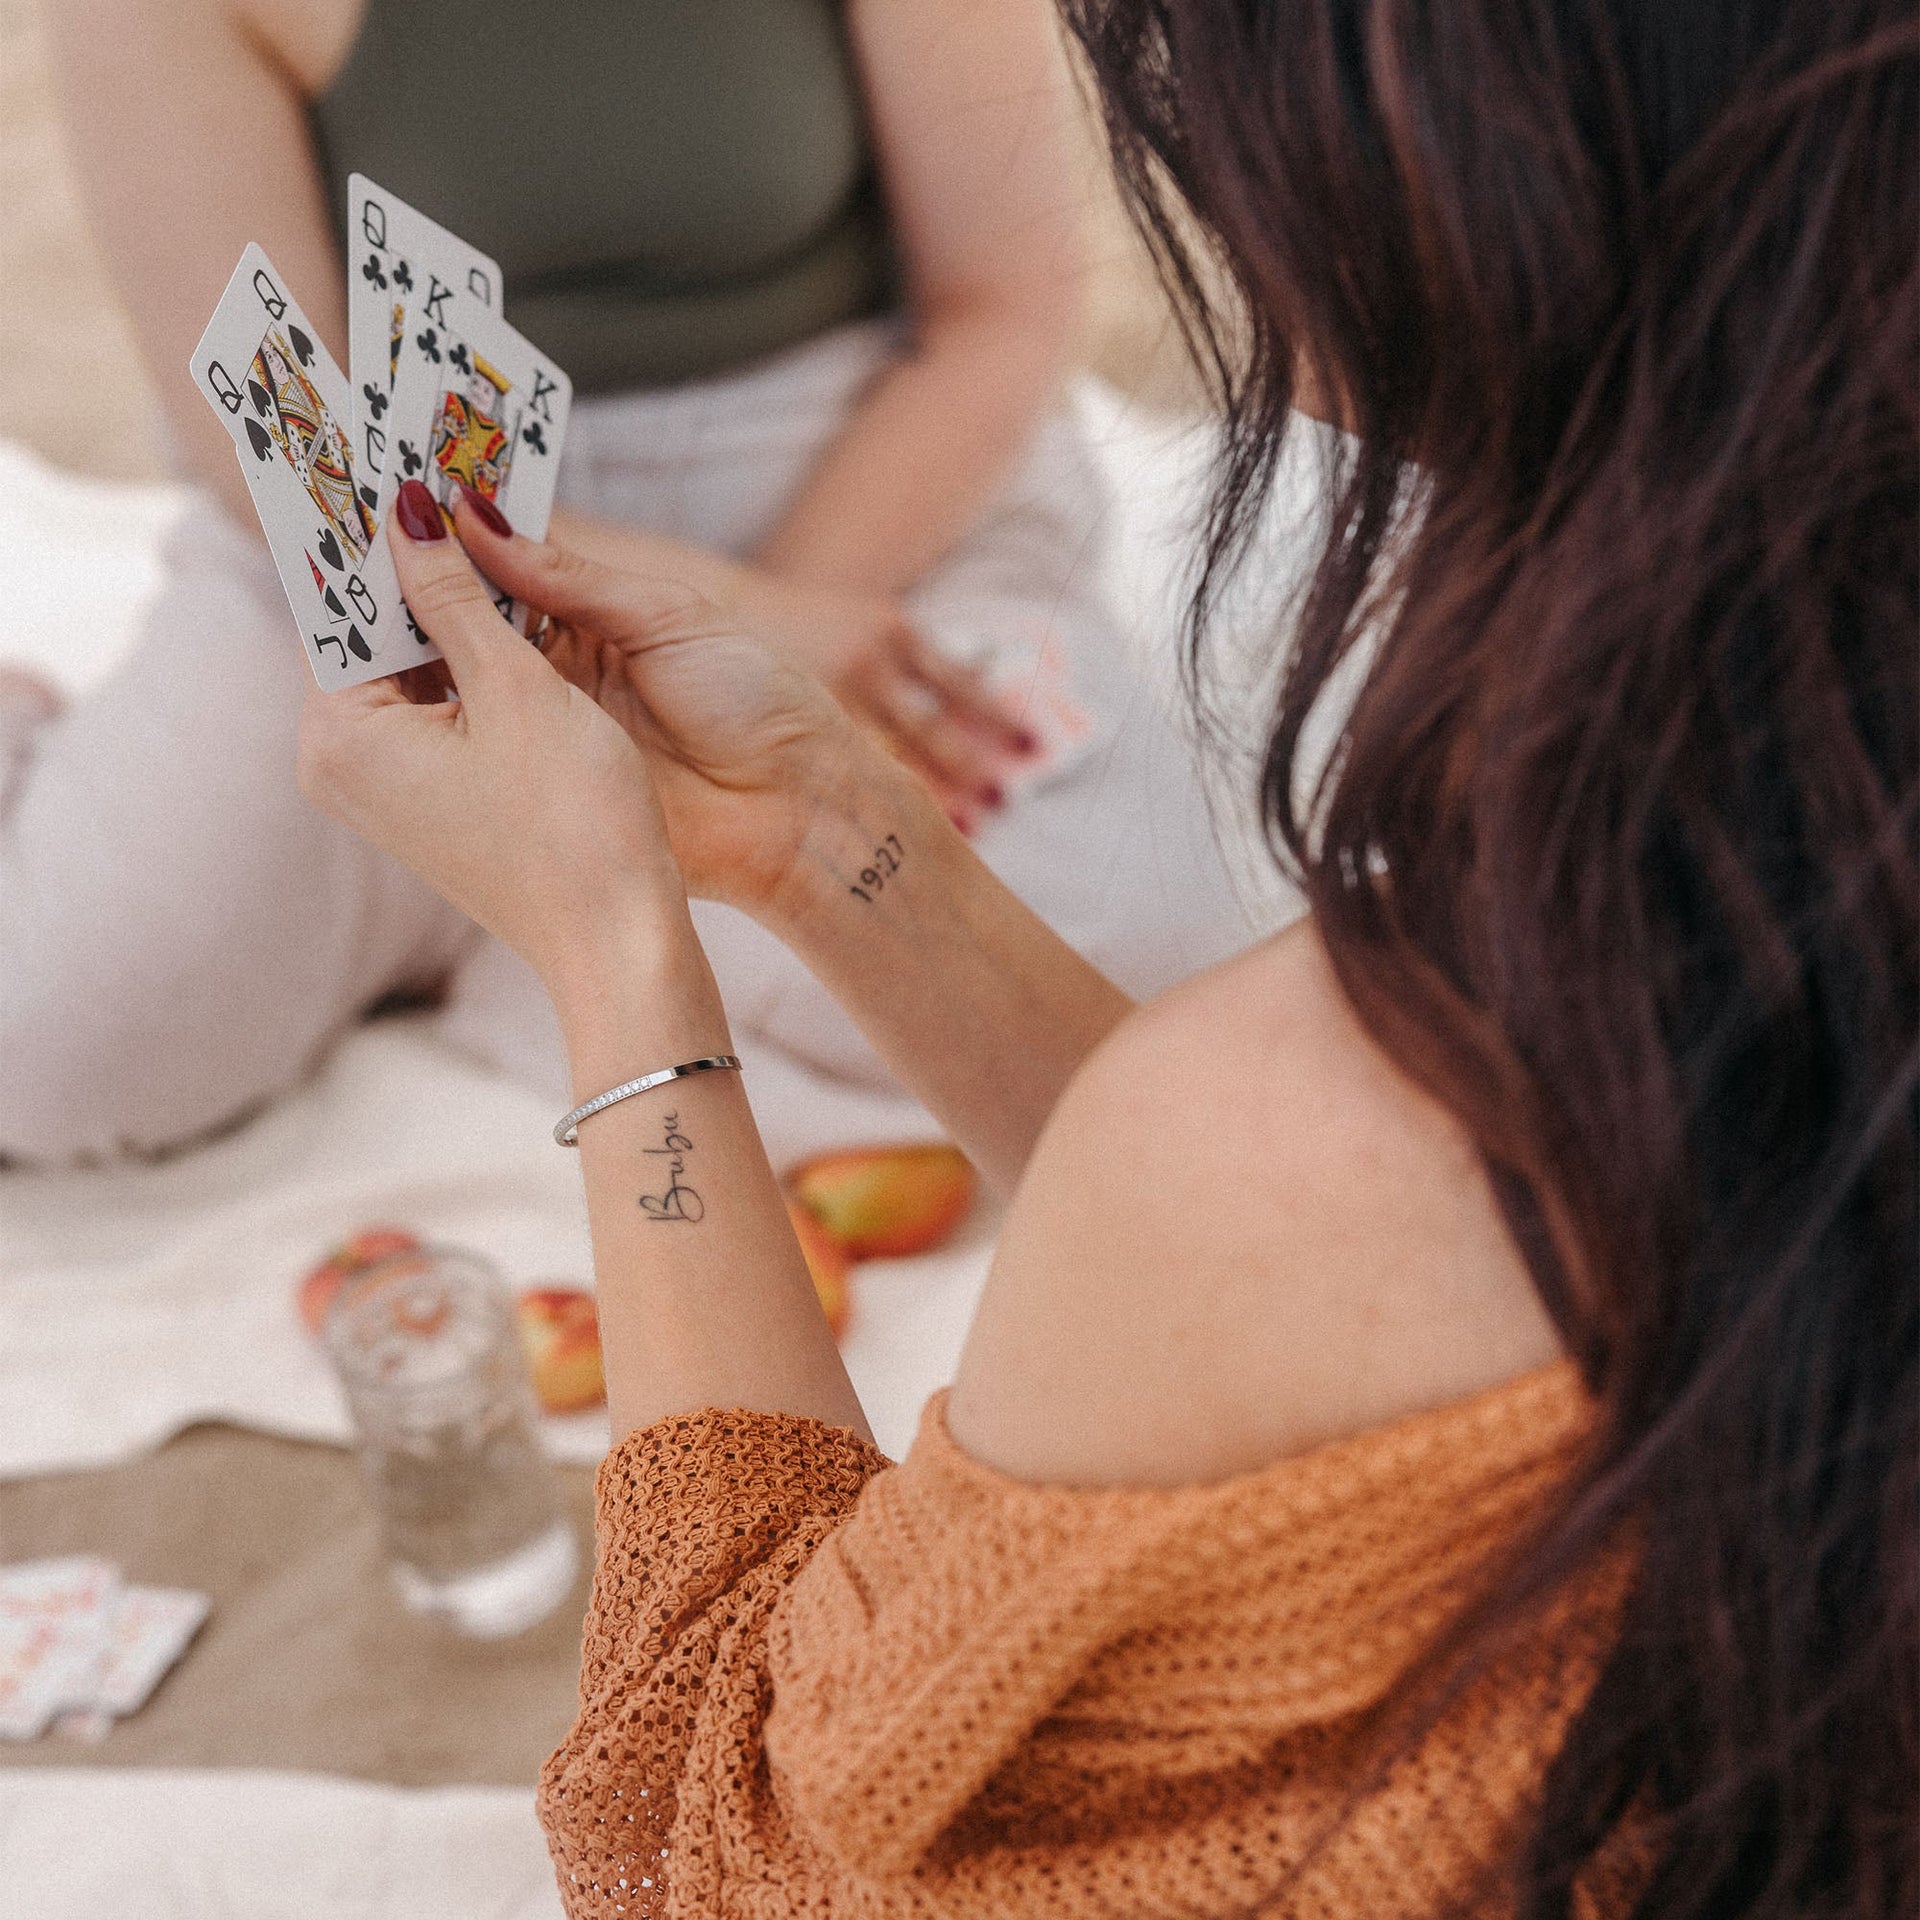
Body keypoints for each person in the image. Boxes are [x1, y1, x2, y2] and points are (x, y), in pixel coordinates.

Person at [293, 0, 1916, 1909]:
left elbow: (710, 1857)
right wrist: (829, 837)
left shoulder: (1341, 1105)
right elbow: (1309, 1290)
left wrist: (614, 951)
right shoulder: (1753, 871)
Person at [1, 0, 1249, 1161]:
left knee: (1147, 983)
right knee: (50, 1055)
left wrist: (757, 644)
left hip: (853, 503)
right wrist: (697, 629)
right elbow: (287, 457)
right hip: (405, 553)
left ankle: (510, 915)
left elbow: (1004, 311)